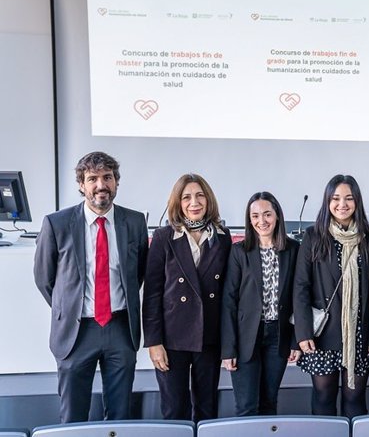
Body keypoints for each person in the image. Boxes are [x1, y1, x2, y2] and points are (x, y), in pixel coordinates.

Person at [34, 151, 148, 422]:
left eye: (107, 177)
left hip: (120, 328)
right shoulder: (56, 223)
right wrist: (69, 307)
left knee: (120, 414)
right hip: (76, 331)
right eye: (92, 178)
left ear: (116, 182)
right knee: (73, 415)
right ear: (81, 185)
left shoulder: (134, 222)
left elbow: (139, 273)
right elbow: (44, 278)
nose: (101, 185)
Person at [293, 174, 369, 419]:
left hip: (360, 334)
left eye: (348, 198)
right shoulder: (314, 236)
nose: (342, 204)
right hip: (323, 334)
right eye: (335, 198)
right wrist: (303, 333)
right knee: (323, 396)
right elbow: (301, 287)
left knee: (355, 397)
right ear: (327, 202)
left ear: (357, 201)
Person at [142, 173, 232, 422]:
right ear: (178, 203)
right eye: (187, 197)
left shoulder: (223, 238)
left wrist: (228, 343)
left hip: (210, 338)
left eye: (200, 195)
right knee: (174, 410)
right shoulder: (163, 237)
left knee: (207, 409)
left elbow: (227, 295)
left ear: (208, 200)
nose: (195, 202)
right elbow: (152, 294)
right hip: (171, 339)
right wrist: (153, 342)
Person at [220, 192, 301, 416]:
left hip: (279, 335)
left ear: (277, 216)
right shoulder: (239, 251)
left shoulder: (293, 250)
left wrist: (296, 340)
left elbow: (299, 297)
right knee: (246, 406)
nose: (261, 221)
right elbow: (228, 300)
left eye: (267, 214)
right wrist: (228, 348)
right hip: (246, 336)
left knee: (269, 402)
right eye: (255, 216)